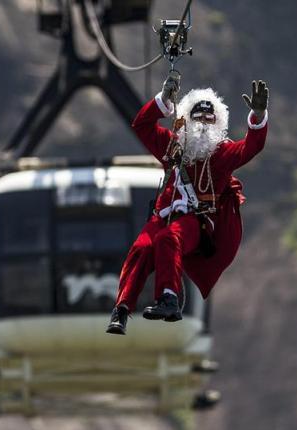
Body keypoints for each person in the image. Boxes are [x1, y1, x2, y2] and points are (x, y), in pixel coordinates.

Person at [106, 72, 269, 335]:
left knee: (169, 239)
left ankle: (169, 298)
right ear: (186, 119)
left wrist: (258, 119)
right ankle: (121, 309)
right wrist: (163, 101)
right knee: (141, 248)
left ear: (218, 122)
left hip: (196, 221)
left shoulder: (222, 153)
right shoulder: (171, 147)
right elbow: (142, 126)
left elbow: (251, 147)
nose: (203, 122)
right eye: (198, 116)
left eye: (209, 117)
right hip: (162, 217)